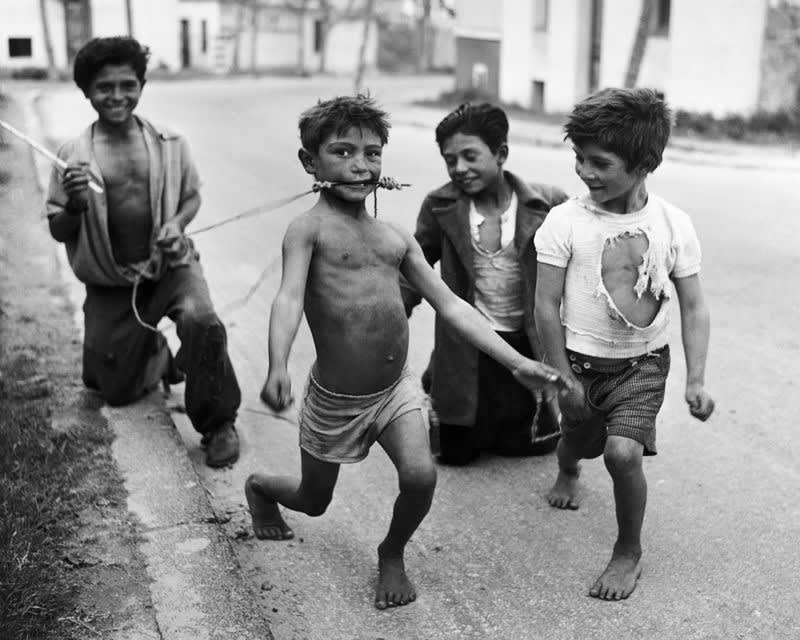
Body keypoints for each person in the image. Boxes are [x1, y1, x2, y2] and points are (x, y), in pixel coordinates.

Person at [244, 95, 571, 610]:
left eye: (372, 154)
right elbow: (287, 298)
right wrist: (278, 363)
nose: (361, 165)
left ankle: (391, 552)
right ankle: (262, 488)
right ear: (311, 163)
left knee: (420, 476)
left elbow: (453, 306)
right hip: (335, 398)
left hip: (393, 393)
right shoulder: (307, 230)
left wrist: (518, 362)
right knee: (314, 500)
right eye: (343, 152)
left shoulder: (394, 238)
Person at [533, 88, 715, 601]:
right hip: (579, 366)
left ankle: (627, 552)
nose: (585, 173)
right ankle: (567, 468)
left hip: (642, 366)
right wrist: (560, 375)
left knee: (621, 454)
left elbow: (695, 305)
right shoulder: (565, 221)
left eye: (600, 163)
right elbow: (545, 305)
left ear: (644, 163)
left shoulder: (673, 224)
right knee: (578, 439)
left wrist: (696, 380)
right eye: (579, 159)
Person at [45, 36, 241, 468]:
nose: (117, 96)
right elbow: (59, 229)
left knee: (202, 321)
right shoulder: (72, 158)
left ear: (141, 85)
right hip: (112, 283)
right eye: (104, 87)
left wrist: (176, 224)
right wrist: (75, 204)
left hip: (171, 267)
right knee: (110, 388)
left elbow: (191, 197)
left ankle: (218, 424)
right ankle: (155, 352)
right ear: (86, 91)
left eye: (127, 85)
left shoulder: (170, 142)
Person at [401, 103, 569, 465]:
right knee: (457, 453)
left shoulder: (549, 205)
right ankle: (439, 381)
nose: (459, 168)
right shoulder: (439, 206)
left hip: (526, 346)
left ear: (501, 153)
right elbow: (414, 271)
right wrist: (390, 317)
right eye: (450, 160)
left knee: (528, 445)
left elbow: (580, 270)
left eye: (470, 156)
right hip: (467, 346)